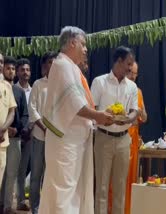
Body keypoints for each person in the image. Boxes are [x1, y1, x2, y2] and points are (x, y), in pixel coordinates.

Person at [38, 26, 113, 214]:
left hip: (74, 140)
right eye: (83, 44)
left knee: (72, 191)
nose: (86, 49)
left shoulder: (71, 67)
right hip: (65, 141)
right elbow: (75, 104)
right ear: (72, 43)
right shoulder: (62, 64)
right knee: (64, 190)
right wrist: (98, 116)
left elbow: (77, 103)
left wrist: (98, 116)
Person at [91, 46, 138, 214]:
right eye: (128, 64)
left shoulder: (132, 86)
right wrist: (105, 116)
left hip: (124, 139)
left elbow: (134, 111)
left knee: (120, 187)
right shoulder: (99, 82)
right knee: (102, 187)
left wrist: (128, 119)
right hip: (103, 137)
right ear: (118, 61)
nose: (131, 68)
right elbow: (92, 109)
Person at [28, 52, 57, 214]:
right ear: (45, 65)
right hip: (40, 136)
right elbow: (32, 110)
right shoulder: (38, 84)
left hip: (56, 139)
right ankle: (35, 209)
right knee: (36, 176)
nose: (54, 66)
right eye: (51, 63)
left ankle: (47, 208)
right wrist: (45, 128)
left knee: (50, 176)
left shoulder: (60, 85)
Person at [0, 56, 29, 214]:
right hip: (2, 136)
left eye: (12, 69)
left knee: (12, 173)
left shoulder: (18, 91)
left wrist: (16, 129)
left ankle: (7, 206)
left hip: (15, 138)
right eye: (8, 68)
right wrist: (5, 129)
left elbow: (24, 115)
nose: (10, 71)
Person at [125, 61, 147, 214]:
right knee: (120, 177)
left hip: (134, 139)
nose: (133, 76)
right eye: (130, 72)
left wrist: (140, 112)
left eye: (135, 73)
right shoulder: (121, 88)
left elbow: (145, 117)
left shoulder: (138, 91)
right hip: (120, 135)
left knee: (131, 177)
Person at [15, 58, 32, 211]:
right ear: (17, 72)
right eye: (22, 70)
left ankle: (28, 200)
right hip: (16, 136)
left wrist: (30, 129)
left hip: (33, 135)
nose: (25, 72)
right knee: (17, 170)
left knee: (32, 169)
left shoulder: (34, 90)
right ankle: (18, 200)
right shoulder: (13, 90)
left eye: (27, 70)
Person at [0, 55, 17, 214]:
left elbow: (12, 111)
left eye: (1, 62)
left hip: (2, 143)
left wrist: (3, 128)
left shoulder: (7, 86)